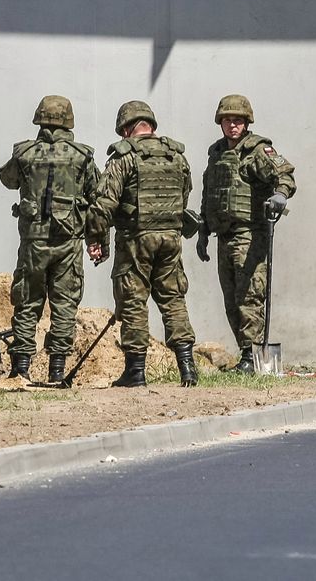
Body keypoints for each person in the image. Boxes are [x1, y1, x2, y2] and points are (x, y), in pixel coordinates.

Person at [86, 100, 198, 388]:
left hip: (136, 240)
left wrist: (96, 238)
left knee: (134, 302)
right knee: (173, 299)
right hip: (170, 239)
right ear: (151, 125)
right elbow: (185, 194)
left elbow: (103, 204)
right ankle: (187, 367)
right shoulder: (176, 155)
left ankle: (136, 372)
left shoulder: (123, 156)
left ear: (125, 129)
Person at [0, 95, 101, 382]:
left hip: (33, 242)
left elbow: (8, 180)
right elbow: (98, 194)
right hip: (68, 243)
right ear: (69, 121)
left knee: (28, 302)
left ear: (39, 118)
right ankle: (57, 372)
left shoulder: (25, 153)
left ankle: (20, 370)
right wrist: (97, 237)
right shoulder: (82, 156)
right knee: (65, 303)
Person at [195, 94, 296, 373]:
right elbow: (210, 194)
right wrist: (203, 230)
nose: (232, 126)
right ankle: (246, 353)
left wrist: (280, 194)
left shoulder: (257, 150)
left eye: (237, 120)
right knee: (231, 300)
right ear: (220, 123)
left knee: (249, 296)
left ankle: (253, 357)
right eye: (227, 120)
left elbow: (285, 174)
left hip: (250, 236)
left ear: (246, 122)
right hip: (224, 236)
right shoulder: (216, 153)